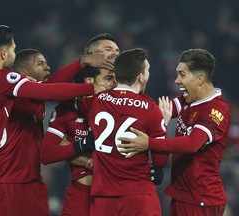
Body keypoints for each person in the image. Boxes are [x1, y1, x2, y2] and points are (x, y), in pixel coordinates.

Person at [0, 25, 107, 216]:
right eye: (13, 49)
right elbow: (50, 90)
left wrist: (80, 63)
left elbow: (49, 87)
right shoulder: (3, 80)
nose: (14, 54)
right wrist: (91, 89)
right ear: (3, 53)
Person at [0, 48, 113, 216]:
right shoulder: (17, 97)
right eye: (40, 63)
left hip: (31, 180)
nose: (47, 67)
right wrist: (88, 83)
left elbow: (51, 87)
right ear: (24, 72)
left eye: (46, 63)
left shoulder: (35, 99)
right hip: (9, 181)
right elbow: (52, 90)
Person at [118, 48, 230, 216]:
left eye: (182, 75)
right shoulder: (187, 100)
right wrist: (130, 94)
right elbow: (155, 111)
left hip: (202, 200)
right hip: (181, 194)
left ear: (200, 79)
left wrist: (149, 143)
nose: (177, 80)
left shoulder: (217, 110)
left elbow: (193, 143)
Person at [79, 48, 169, 216]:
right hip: (139, 197)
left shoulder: (96, 101)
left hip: (103, 198)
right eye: (147, 70)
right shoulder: (151, 109)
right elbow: (160, 159)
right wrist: (162, 123)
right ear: (140, 77)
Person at [41, 33, 119, 216]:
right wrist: (82, 151)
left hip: (117, 197)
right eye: (108, 50)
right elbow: (47, 153)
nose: (115, 54)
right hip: (80, 198)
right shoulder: (68, 107)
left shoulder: (128, 104)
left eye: (117, 50)